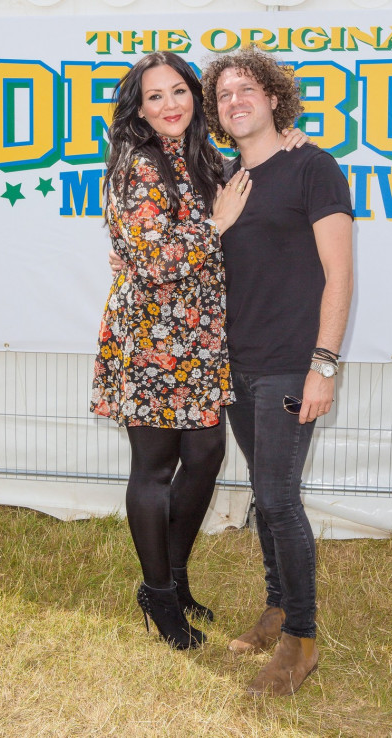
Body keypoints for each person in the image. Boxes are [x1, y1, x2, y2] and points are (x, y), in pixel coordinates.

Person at [91, 51, 307, 650]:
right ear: (138, 106)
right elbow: (159, 260)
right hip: (152, 338)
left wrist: (288, 136)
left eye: (179, 92)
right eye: (154, 96)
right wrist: (212, 227)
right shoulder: (139, 164)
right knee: (155, 468)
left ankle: (173, 577)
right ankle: (158, 597)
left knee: (208, 453)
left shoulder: (200, 156)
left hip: (199, 336)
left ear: (196, 98)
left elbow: (250, 184)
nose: (170, 106)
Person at [201, 47, 354, 695]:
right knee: (264, 497)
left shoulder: (313, 167)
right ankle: (275, 607)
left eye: (247, 89)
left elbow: (340, 275)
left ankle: (301, 639)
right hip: (236, 366)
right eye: (224, 95)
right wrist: (217, 224)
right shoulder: (227, 181)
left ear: (272, 98)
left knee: (279, 497)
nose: (235, 100)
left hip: (293, 364)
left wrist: (324, 364)